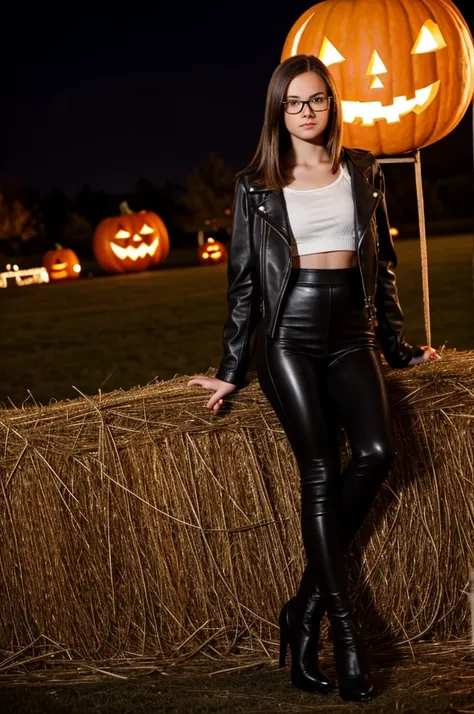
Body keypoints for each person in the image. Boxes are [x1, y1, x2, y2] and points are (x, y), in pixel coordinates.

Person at [187, 54, 440, 702]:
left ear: (332, 104)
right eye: (295, 101)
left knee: (379, 453)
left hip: (351, 330)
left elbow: (380, 262)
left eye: (317, 99)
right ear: (279, 109)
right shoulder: (257, 185)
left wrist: (398, 346)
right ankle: (341, 632)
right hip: (289, 336)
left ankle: (301, 608)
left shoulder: (360, 169)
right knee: (322, 469)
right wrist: (229, 370)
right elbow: (243, 284)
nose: (307, 110)